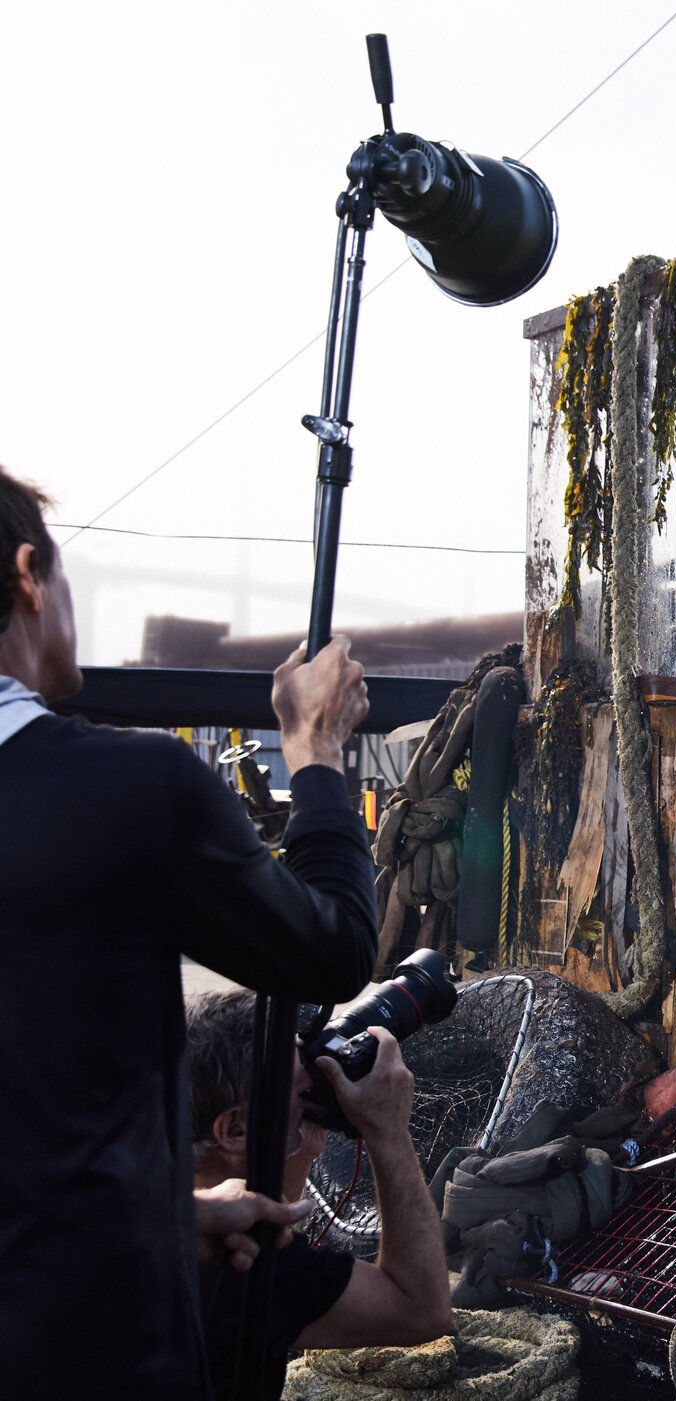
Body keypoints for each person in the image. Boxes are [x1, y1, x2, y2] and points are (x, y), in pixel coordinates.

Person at [0, 465, 381, 1399]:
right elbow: (331, 947)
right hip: (96, 1356)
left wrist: (166, 1217)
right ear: (26, 579)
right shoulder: (131, 791)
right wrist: (317, 757)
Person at [188, 990, 451, 1398]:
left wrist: (303, 1145)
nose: (312, 1088)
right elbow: (420, 1310)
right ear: (235, 1130)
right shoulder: (237, 1255)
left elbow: (269, 1231)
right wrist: (389, 1131)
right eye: (297, 1089)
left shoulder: (139, 1206)